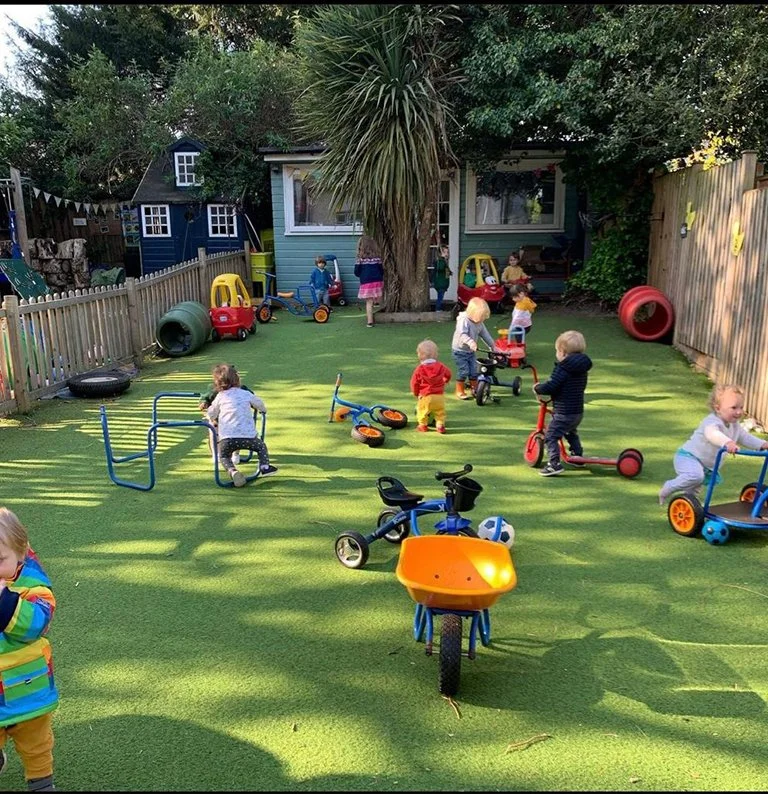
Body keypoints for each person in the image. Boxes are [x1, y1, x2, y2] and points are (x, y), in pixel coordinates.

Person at [0, 507, 58, 793]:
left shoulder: (34, 588)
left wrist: (5, 601)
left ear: (21, 554)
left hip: (27, 690)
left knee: (36, 745)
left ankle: (41, 783)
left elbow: (37, 623)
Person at [658, 384, 768, 506]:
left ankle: (689, 507)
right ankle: (669, 486)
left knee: (693, 491)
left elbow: (745, 437)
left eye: (741, 407)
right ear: (718, 408)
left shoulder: (734, 425)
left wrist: (763, 444)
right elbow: (712, 434)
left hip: (705, 466)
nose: (739, 412)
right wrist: (727, 442)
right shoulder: (711, 421)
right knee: (695, 476)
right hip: (688, 457)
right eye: (733, 407)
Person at [205, 363, 277, 487]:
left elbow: (211, 413)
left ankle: (233, 471)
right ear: (237, 380)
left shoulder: (220, 396)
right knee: (261, 447)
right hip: (249, 438)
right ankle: (264, 467)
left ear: (217, 383)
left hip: (227, 440)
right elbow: (259, 403)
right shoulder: (245, 393)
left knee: (223, 456)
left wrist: (210, 418)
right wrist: (263, 410)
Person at [532, 330, 593, 476]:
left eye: (557, 351)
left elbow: (552, 386)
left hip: (564, 412)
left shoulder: (563, 368)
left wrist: (538, 388)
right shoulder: (581, 367)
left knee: (551, 436)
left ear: (563, 353)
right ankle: (577, 456)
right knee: (570, 431)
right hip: (577, 412)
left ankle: (554, 464)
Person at [451, 296, 495, 400]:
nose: (482, 320)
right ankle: (459, 390)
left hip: (470, 351)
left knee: (474, 370)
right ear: (473, 314)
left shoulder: (479, 323)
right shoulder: (463, 320)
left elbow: (485, 334)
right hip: (459, 351)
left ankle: (475, 389)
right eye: (481, 317)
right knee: (464, 371)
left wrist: (493, 346)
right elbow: (462, 335)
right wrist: (471, 342)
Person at [410, 339, 452, 433]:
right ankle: (440, 425)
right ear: (436, 354)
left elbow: (414, 383)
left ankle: (422, 425)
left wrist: (416, 393)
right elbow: (448, 373)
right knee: (440, 412)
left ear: (420, 355)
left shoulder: (420, 369)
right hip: (439, 396)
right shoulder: (441, 366)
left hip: (426, 396)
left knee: (422, 411)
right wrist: (446, 379)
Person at [353, 234, 384, 327]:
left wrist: (361, 275)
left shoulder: (360, 260)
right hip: (377, 281)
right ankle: (379, 306)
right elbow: (381, 270)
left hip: (366, 282)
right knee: (378, 297)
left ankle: (370, 321)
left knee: (369, 302)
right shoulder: (377, 258)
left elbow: (356, 272)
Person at [432, 246, 452, 312]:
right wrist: (442, 259)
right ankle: (438, 309)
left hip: (442, 283)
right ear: (440, 254)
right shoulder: (440, 261)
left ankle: (439, 308)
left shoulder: (444, 261)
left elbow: (445, 270)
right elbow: (440, 268)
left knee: (440, 296)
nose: (446, 254)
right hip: (440, 283)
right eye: (444, 252)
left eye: (447, 252)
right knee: (440, 297)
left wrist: (449, 272)